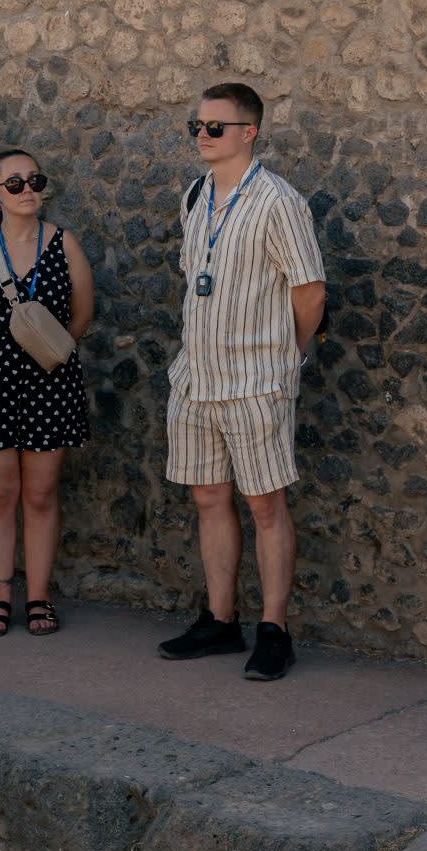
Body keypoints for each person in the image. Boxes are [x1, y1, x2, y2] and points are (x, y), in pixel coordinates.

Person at [154, 83, 326, 683]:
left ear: (248, 132)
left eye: (215, 127)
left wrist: (289, 357)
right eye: (196, 126)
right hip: (196, 376)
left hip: (256, 380)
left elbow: (310, 290)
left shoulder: (279, 201)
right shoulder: (195, 194)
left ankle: (275, 630)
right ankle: (221, 620)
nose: (202, 135)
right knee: (208, 498)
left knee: (265, 505)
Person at [0, 148, 95, 635]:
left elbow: (82, 313)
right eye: (14, 183)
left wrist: (49, 352)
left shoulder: (64, 244)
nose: (27, 189)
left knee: (40, 494)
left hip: (49, 383)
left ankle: (38, 596)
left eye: (35, 180)